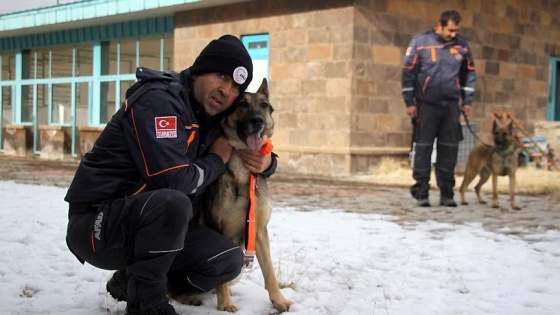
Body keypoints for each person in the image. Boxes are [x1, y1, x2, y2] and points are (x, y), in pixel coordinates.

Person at [65, 35, 277, 315]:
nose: (226, 90)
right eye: (221, 76)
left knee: (228, 260)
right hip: (98, 224)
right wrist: (216, 159)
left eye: (236, 86)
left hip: (150, 226)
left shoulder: (207, 112)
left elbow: (237, 140)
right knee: (174, 201)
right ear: (200, 70)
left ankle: (130, 281)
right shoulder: (159, 101)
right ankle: (147, 304)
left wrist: (267, 163)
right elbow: (173, 180)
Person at [401, 10, 476, 207]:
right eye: (450, 30)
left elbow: (469, 73)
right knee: (423, 148)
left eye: (456, 31)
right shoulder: (420, 43)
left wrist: (467, 101)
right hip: (426, 106)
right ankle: (422, 192)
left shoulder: (462, 46)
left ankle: (447, 194)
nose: (453, 35)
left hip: (451, 106)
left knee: (449, 150)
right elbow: (408, 73)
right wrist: (410, 103)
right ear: (439, 26)